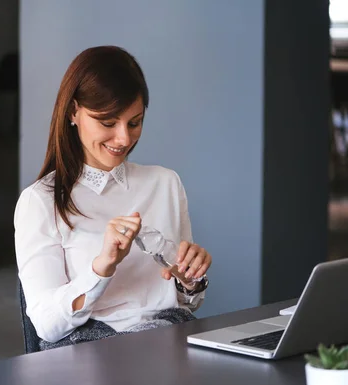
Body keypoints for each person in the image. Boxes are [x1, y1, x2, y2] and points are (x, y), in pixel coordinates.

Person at [14, 46, 211, 350]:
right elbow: (46, 325)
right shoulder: (40, 202)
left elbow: (187, 305)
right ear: (73, 112)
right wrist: (101, 267)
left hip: (168, 348)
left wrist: (190, 280)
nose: (124, 139)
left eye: (135, 122)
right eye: (108, 123)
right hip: (91, 360)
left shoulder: (166, 183)